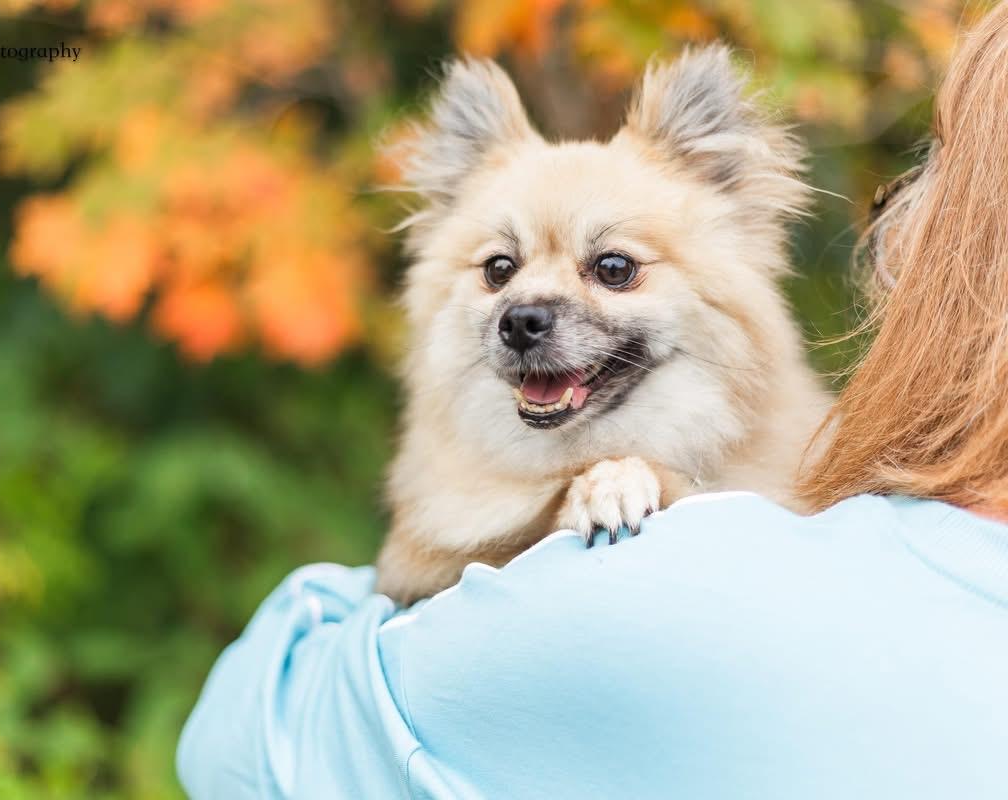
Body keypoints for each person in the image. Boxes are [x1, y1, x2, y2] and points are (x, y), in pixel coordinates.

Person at [176, 5, 1008, 798]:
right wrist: (544, 513)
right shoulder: (894, 554)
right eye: (498, 270)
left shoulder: (806, 534)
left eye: (613, 269)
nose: (527, 304)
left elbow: (241, 746)